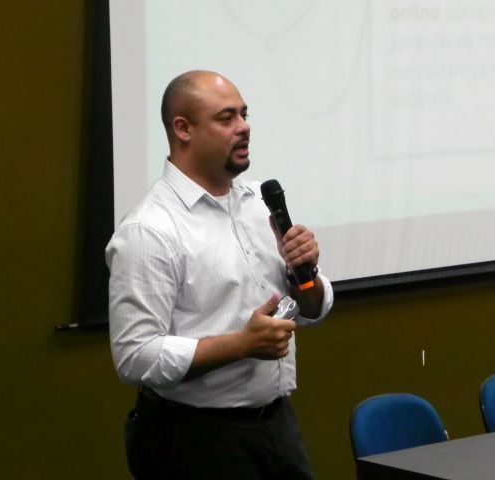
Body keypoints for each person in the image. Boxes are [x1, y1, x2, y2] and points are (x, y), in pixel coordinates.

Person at [106, 70, 333, 479]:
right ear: (183, 129)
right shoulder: (149, 230)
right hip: (195, 438)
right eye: (226, 118)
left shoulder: (258, 202)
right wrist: (241, 345)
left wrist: (306, 272)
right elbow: (135, 357)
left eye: (244, 114)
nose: (243, 127)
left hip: (277, 424)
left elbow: (311, 308)